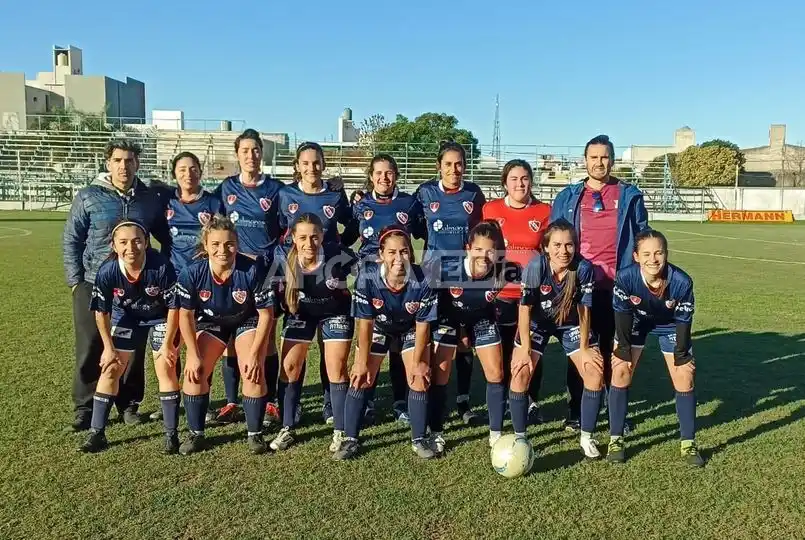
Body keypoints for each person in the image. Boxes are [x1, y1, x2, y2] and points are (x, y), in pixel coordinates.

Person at [63, 139, 170, 432]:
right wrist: (75, 282)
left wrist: (161, 273)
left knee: (131, 346)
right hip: (93, 281)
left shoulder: (149, 199)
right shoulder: (88, 196)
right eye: (118, 160)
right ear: (108, 163)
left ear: (137, 163)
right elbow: (72, 239)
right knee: (90, 345)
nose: (124, 166)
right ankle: (85, 408)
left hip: (135, 283)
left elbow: (164, 236)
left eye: (130, 160)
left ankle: (128, 404)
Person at [550, 134, 649, 433]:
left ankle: (616, 410)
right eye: (594, 157)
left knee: (616, 350)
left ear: (613, 160)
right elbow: (556, 238)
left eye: (605, 157)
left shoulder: (630, 195)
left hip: (619, 286)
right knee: (580, 348)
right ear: (585, 161)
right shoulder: (568, 197)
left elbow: (643, 236)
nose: (599, 162)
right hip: (580, 286)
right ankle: (575, 411)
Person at [175, 214, 275, 455]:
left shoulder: (252, 269)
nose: (223, 250)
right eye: (216, 244)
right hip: (212, 321)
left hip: (246, 319)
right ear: (206, 246)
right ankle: (196, 434)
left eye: (229, 244)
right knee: (195, 373)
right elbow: (185, 315)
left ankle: (255, 434)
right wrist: (192, 354)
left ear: (237, 244)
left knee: (252, 371)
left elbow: (266, 315)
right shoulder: (192, 272)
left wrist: (254, 354)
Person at [79, 221, 181, 453]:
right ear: (114, 245)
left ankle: (171, 435)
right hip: (126, 318)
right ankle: (97, 433)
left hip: (159, 318)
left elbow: (174, 307)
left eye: (136, 240)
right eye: (123, 242)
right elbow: (101, 313)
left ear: (146, 242)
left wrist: (168, 344)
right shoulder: (108, 271)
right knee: (111, 368)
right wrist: (108, 348)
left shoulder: (161, 265)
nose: (131, 247)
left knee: (165, 367)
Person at [277, 142, 357, 426]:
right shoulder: (284, 194)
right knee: (296, 347)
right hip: (297, 272)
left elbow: (352, 224)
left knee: (330, 347)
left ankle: (329, 403)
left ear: (324, 164)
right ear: (297, 166)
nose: (312, 168)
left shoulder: (335, 194)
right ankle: (292, 407)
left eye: (317, 162)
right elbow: (276, 229)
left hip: (329, 270)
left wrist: (336, 250)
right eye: (306, 163)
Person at [342, 226, 439, 460]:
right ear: (381, 255)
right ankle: (350, 438)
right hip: (379, 328)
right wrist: (361, 362)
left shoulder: (425, 279)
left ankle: (418, 439)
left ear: (411, 254)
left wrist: (418, 362)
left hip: (409, 330)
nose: (398, 258)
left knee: (417, 377)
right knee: (361, 375)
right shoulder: (367, 276)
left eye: (404, 252)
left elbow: (423, 326)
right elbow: (364, 324)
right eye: (392, 252)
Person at [609, 230, 704, 466]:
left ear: (666, 254)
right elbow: (622, 314)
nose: (653, 259)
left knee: (685, 375)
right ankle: (616, 439)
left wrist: (682, 355)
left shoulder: (681, 281)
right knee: (621, 370)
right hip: (636, 322)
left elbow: (683, 321)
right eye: (647, 254)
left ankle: (688, 443)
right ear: (636, 256)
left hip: (670, 324)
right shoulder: (625, 277)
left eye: (659, 253)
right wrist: (622, 349)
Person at [513, 220, 606, 458]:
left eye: (569, 245)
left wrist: (585, 347)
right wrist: (524, 349)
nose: (563, 251)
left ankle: (586, 437)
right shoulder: (536, 267)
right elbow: (524, 310)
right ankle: (519, 439)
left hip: (570, 324)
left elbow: (585, 311)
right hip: (537, 324)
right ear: (545, 247)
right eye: (557, 245)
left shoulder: (583, 268)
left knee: (594, 372)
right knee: (521, 371)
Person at [268, 213, 357, 454]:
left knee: (336, 367)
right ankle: (287, 426)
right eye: (303, 237)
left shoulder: (337, 253)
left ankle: (340, 430)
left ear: (322, 236)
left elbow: (365, 273)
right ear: (293, 238)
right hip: (301, 314)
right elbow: (274, 298)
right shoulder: (283, 261)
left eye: (315, 237)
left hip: (335, 313)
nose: (310, 243)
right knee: (290, 367)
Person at [213, 129, 284, 425]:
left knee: (265, 337)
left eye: (256, 150)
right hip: (234, 272)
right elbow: (215, 227)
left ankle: (270, 401)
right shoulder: (225, 188)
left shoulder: (277, 189)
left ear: (262, 153)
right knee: (231, 336)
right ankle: (231, 402)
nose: (251, 155)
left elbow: (289, 223)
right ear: (237, 154)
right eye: (245, 150)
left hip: (267, 271)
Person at [415, 140, 486, 425]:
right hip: (434, 278)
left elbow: (482, 231)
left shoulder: (474, 193)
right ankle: (435, 398)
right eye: (448, 164)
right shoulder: (425, 192)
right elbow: (414, 224)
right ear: (439, 166)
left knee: (465, 340)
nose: (454, 169)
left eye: (459, 164)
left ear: (465, 167)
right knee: (436, 338)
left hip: (466, 277)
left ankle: (463, 401)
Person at [351, 153, 426, 425]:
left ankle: (400, 401)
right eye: (379, 173)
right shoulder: (360, 205)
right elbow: (346, 236)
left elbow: (423, 233)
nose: (384, 178)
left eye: (389, 172)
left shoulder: (409, 203)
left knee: (398, 342)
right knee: (369, 339)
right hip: (369, 282)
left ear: (396, 175)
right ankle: (367, 400)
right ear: (370, 176)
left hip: (401, 279)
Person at [482, 159, 551, 425]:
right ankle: (503, 400)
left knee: (532, 347)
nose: (519, 183)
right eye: (514, 179)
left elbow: (549, 251)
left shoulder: (545, 210)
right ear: (505, 182)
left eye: (524, 178)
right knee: (503, 348)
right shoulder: (491, 209)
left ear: (531, 181)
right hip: (500, 293)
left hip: (532, 294)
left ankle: (530, 401)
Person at [430, 221, 508, 452]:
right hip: (448, 319)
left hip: (482, 320)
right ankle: (436, 431)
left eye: (490, 251)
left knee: (496, 373)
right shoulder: (445, 269)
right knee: (440, 374)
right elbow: (427, 301)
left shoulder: (504, 271)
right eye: (478, 249)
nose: (484, 256)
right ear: (467, 248)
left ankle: (496, 434)